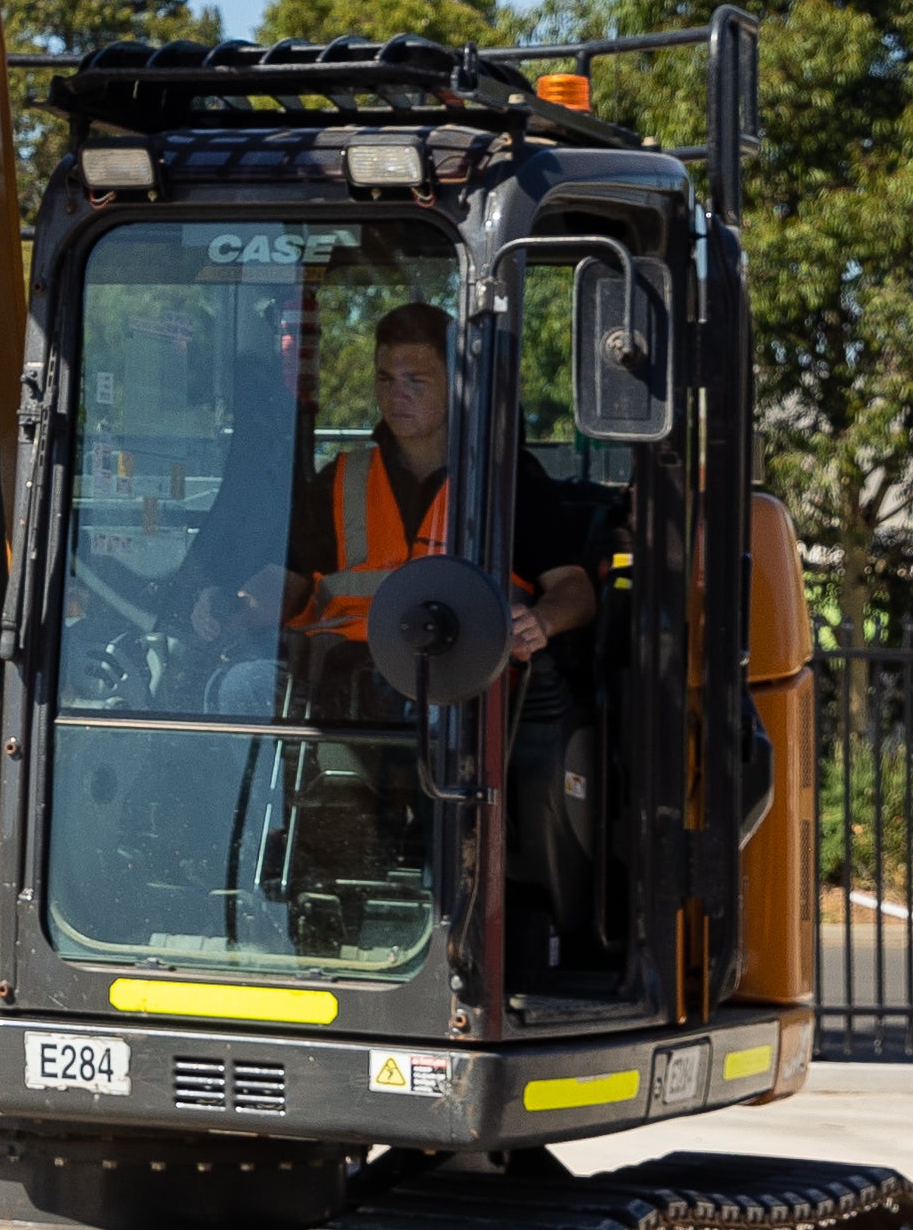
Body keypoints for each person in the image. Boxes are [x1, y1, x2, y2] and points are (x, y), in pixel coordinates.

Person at [193, 298, 610, 963]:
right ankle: (234, 888)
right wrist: (240, 603)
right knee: (239, 686)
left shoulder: (507, 481)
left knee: (430, 731)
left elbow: (574, 588)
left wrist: (540, 620)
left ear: (456, 383)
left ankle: (447, 914)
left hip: (451, 683)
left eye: (415, 378)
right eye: (385, 378)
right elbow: (292, 578)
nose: (397, 394)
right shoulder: (342, 478)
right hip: (338, 680)